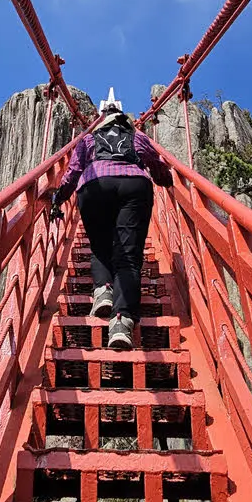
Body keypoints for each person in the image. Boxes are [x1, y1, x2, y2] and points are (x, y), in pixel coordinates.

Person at [50, 89, 173, 349]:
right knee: (128, 257)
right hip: (135, 187)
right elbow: (155, 163)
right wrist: (166, 180)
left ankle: (102, 291)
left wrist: (59, 198)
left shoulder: (88, 139)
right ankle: (122, 321)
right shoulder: (136, 136)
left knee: (100, 247)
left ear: (103, 118)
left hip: (94, 186)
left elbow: (73, 172)